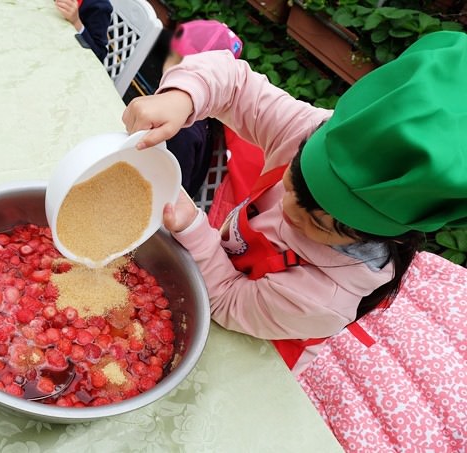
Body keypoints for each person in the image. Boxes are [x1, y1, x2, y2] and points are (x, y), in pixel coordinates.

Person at [122, 31, 467, 375]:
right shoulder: (312, 131)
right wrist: (182, 96)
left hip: (257, 346)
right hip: (214, 273)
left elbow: (229, 300)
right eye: (292, 182)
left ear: (384, 236)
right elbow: (234, 85)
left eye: (316, 223)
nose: (287, 211)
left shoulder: (325, 297)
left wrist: (195, 230)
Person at [161, 19, 246, 197]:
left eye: (175, 57)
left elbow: (169, 192)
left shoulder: (180, 128)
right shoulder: (206, 117)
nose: (168, 60)